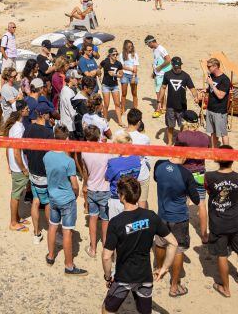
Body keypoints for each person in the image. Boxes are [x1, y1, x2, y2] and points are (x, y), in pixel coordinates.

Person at [102, 177, 178, 314]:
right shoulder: (151, 216)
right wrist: (164, 268)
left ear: (122, 196)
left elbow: (107, 256)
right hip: (144, 276)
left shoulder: (115, 222)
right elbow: (173, 242)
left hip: (123, 276)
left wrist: (108, 277)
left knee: (107, 309)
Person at [153, 151, 201, 298]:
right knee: (178, 250)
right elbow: (196, 199)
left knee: (160, 243)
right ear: (185, 156)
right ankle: (174, 286)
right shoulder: (186, 174)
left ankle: (158, 267)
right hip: (179, 217)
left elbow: (156, 179)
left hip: (162, 214)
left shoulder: (159, 164)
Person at [206, 146, 238, 298]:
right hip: (235, 221)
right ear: (233, 159)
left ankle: (226, 288)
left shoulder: (209, 177)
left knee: (222, 254)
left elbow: (208, 191)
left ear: (218, 159)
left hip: (218, 223)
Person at [43, 125, 88, 275]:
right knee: (67, 232)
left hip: (52, 196)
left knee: (52, 226)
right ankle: (69, 265)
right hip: (67, 199)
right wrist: (75, 194)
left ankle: (50, 257)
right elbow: (75, 184)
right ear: (67, 139)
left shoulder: (47, 156)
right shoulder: (68, 161)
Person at [24, 102, 56, 243]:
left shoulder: (28, 129)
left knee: (35, 201)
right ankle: (51, 231)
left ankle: (36, 234)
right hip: (44, 173)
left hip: (33, 171)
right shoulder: (49, 133)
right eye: (48, 113)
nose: (50, 115)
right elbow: (51, 156)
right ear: (43, 115)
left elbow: (24, 150)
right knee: (48, 203)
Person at [81, 124, 113, 258]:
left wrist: (85, 184)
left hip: (92, 188)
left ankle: (93, 249)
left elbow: (85, 171)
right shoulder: (106, 150)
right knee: (105, 220)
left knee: (93, 219)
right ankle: (106, 248)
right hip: (105, 188)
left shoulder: (84, 151)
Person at [175, 118, 210, 240]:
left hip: (185, 172)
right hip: (200, 172)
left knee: (183, 202)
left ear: (186, 123)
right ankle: (205, 235)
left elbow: (177, 153)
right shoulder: (205, 137)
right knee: (201, 204)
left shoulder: (181, 136)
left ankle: (181, 233)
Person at [4, 102, 31, 232]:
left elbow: (8, 147)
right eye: (26, 109)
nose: (28, 110)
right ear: (21, 111)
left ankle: (17, 217)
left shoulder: (13, 126)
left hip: (15, 166)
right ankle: (13, 223)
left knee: (17, 193)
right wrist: (24, 168)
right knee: (16, 195)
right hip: (19, 167)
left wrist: (9, 164)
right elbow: (16, 151)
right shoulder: (19, 128)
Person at [105, 131, 143, 218]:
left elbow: (107, 178)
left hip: (117, 199)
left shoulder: (113, 163)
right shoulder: (137, 159)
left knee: (116, 227)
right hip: (132, 198)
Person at [157, 56, 194, 145]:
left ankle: (179, 141)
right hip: (170, 105)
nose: (178, 69)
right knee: (170, 126)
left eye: (179, 67)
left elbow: (192, 88)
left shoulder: (186, 76)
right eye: (176, 67)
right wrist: (159, 101)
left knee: (183, 125)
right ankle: (170, 142)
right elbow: (163, 87)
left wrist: (196, 96)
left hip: (182, 106)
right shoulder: (167, 74)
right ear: (172, 65)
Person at [125, 108, 152, 203]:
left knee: (127, 202)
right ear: (139, 122)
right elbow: (147, 155)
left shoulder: (119, 134)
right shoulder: (144, 138)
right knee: (142, 202)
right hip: (141, 173)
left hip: (125, 173)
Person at [202, 57, 231, 147]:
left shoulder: (225, 80)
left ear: (215, 66)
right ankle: (213, 150)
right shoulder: (213, 76)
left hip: (220, 112)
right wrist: (206, 90)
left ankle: (227, 153)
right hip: (210, 109)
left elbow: (220, 95)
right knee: (212, 132)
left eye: (209, 66)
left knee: (223, 134)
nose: (207, 68)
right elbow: (213, 89)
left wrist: (210, 84)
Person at [144, 35, 172, 117]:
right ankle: (164, 107)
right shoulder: (155, 50)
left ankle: (159, 109)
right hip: (158, 73)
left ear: (151, 42)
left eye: (148, 44)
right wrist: (154, 72)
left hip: (162, 73)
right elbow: (156, 62)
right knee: (161, 91)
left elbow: (168, 60)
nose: (148, 46)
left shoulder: (161, 49)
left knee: (158, 91)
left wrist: (159, 68)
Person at [99, 47, 125, 126]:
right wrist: (99, 75)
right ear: (109, 55)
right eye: (114, 54)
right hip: (106, 85)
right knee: (106, 104)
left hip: (114, 85)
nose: (115, 56)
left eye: (117, 54)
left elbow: (121, 75)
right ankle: (105, 120)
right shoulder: (105, 62)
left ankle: (120, 121)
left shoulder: (118, 64)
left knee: (117, 104)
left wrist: (115, 75)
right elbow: (98, 68)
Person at [120, 39, 140, 111]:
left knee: (134, 93)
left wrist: (134, 76)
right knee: (124, 93)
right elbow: (122, 66)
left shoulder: (135, 55)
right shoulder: (122, 55)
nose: (130, 48)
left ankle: (135, 108)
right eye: (129, 46)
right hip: (125, 74)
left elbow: (135, 67)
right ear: (125, 47)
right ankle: (122, 109)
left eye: (131, 46)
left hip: (133, 75)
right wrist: (131, 69)